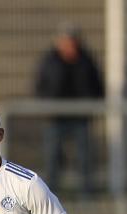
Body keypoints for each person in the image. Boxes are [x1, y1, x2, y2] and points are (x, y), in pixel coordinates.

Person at [34, 23, 103, 196]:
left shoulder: (86, 61)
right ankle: (50, 198)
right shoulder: (50, 61)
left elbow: (96, 86)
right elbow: (41, 86)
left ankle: (86, 197)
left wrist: (90, 104)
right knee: (52, 158)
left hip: (80, 118)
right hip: (55, 118)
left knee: (84, 159)